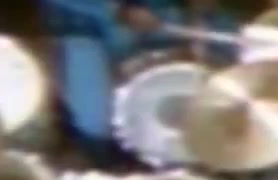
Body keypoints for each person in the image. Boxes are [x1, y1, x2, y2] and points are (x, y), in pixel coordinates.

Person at [41, 0, 238, 168]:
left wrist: (201, 11)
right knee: (95, 123)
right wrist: (117, 9)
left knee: (237, 66)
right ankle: (108, 167)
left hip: (166, 10)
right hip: (87, 23)